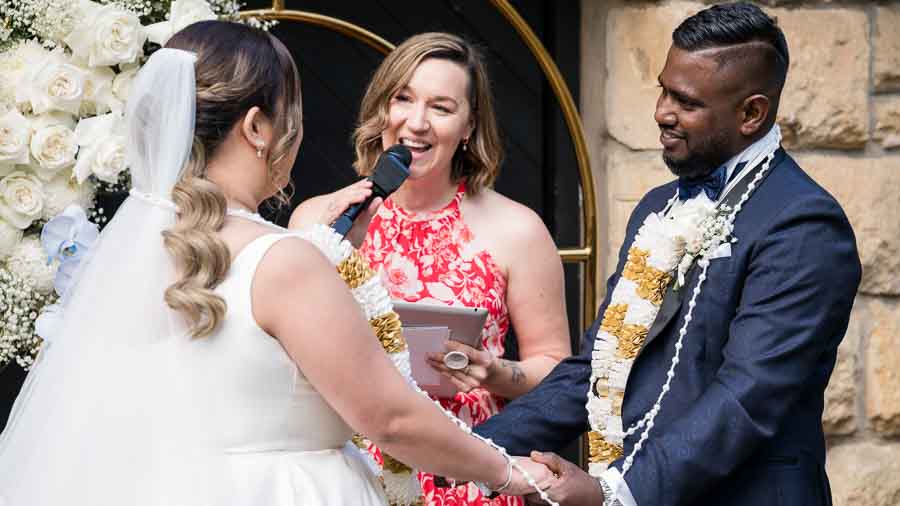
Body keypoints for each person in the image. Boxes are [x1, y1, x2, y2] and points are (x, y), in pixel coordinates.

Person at [0, 21, 554, 505]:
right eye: (294, 112)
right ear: (258, 128)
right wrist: (513, 474)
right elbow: (390, 418)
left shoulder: (143, 247)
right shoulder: (286, 259)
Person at [474, 3, 861, 506]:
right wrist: (474, 447)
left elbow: (747, 397)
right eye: (662, 88)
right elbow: (597, 366)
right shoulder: (659, 207)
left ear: (751, 113)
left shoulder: (804, 225)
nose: (661, 111)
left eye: (686, 100)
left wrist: (613, 493)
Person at [291, 32, 572, 505]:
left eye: (441, 107)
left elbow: (556, 370)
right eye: (403, 98)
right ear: (383, 108)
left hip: (468, 475)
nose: (416, 123)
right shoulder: (318, 218)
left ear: (468, 125)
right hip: (351, 474)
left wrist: (494, 371)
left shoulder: (517, 229)